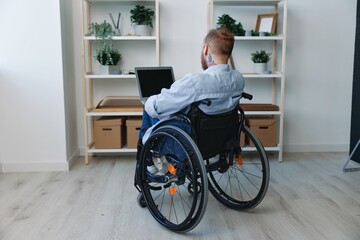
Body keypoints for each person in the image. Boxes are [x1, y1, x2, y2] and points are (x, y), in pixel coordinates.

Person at [134, 28, 245, 186]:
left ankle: (148, 162)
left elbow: (157, 106)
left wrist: (151, 100)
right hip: (220, 142)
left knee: (149, 106)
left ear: (205, 48)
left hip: (191, 142)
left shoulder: (196, 82)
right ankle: (150, 162)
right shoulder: (238, 79)